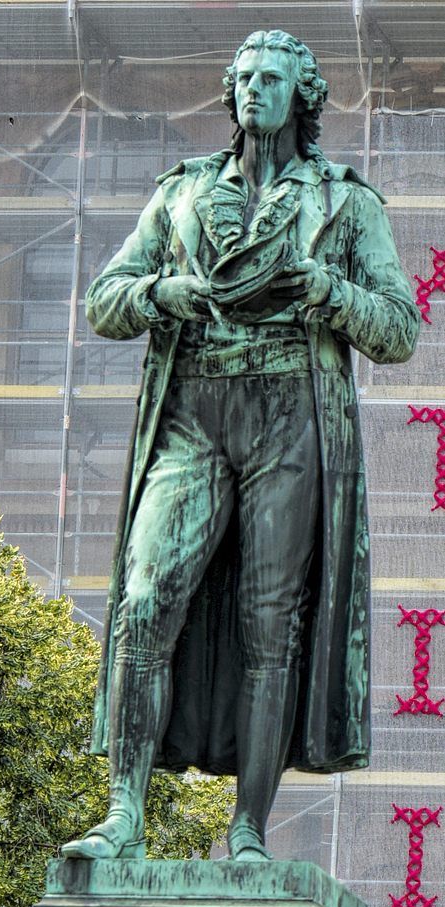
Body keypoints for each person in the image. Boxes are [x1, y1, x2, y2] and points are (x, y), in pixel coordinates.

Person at [62, 30, 418, 862]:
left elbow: (398, 328)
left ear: (304, 96)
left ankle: (247, 829)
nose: (253, 89)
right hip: (194, 413)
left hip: (290, 413)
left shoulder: (345, 202)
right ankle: (124, 814)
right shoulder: (182, 193)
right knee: (145, 601)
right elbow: (104, 300)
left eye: (272, 78)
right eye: (244, 78)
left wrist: (327, 289)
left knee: (271, 625)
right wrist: (166, 293)